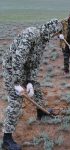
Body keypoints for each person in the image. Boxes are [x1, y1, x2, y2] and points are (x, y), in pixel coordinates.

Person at [2, 19, 62, 150]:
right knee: (15, 102)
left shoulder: (42, 40)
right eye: (55, 33)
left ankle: (41, 113)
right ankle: (6, 139)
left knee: (37, 88)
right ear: (49, 29)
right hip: (11, 69)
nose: (55, 35)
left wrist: (30, 81)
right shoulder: (31, 34)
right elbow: (18, 59)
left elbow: (34, 64)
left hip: (22, 70)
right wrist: (17, 83)